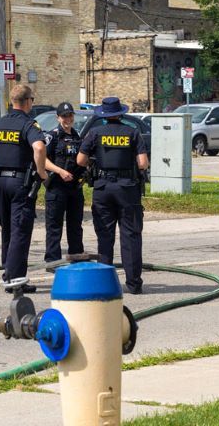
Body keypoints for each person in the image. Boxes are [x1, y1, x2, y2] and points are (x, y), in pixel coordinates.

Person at [0, 84, 49, 292]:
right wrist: (42, 173)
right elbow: (39, 147)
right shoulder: (28, 124)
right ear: (28, 102)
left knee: (8, 229)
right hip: (20, 183)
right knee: (20, 230)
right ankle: (15, 280)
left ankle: (10, 273)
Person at [76, 96, 149, 294]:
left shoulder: (95, 133)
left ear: (104, 115)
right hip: (127, 189)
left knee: (105, 237)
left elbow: (80, 160)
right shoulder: (132, 133)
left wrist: (96, 161)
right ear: (120, 113)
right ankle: (133, 284)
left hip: (103, 189)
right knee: (131, 236)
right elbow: (142, 163)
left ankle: (105, 284)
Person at [43, 101, 84, 264]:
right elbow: (42, 160)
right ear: (58, 118)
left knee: (75, 226)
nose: (68, 118)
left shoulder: (77, 136)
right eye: (64, 116)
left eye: (70, 115)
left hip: (74, 188)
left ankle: (77, 258)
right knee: (54, 227)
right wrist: (60, 171)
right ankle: (52, 261)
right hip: (56, 188)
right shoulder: (52, 136)